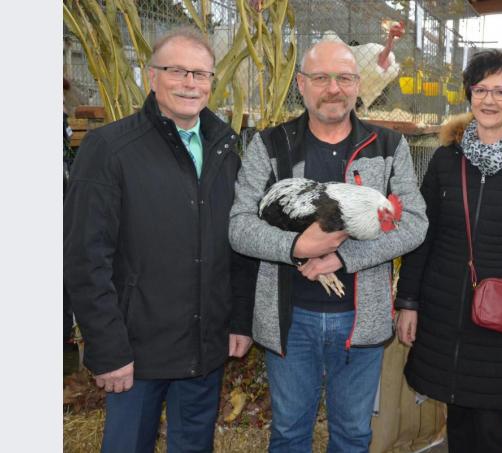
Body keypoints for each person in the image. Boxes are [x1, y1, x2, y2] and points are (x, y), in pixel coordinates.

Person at [228, 39, 428, 452]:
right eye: (321, 78)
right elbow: (239, 226)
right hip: (289, 318)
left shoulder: (389, 146)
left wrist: (342, 256)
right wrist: (296, 247)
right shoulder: (270, 144)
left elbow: (414, 224)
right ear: (301, 84)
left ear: (358, 85)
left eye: (344, 78)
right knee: (288, 433)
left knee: (353, 435)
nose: (333, 88)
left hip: (361, 320)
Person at [64, 27, 257, 452]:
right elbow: (85, 257)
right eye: (177, 71)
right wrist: (108, 348)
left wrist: (239, 319)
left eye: (201, 74)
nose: (190, 83)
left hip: (204, 349)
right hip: (136, 353)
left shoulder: (224, 149)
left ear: (212, 82)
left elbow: (238, 244)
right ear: (152, 76)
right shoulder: (109, 148)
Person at [395, 49, 502, 453]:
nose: (489, 100)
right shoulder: (445, 160)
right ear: (469, 94)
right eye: (481, 89)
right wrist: (408, 302)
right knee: (456, 416)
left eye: (501, 92)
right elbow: (423, 235)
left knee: (490, 425)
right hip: (444, 308)